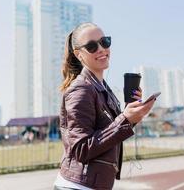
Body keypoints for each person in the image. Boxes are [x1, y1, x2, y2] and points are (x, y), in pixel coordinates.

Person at [53, 22, 155, 190]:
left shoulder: (102, 88)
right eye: (92, 46)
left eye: (105, 42)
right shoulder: (81, 89)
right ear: (79, 55)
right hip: (77, 186)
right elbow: (81, 149)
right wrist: (125, 119)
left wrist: (133, 114)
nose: (101, 49)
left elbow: (109, 131)